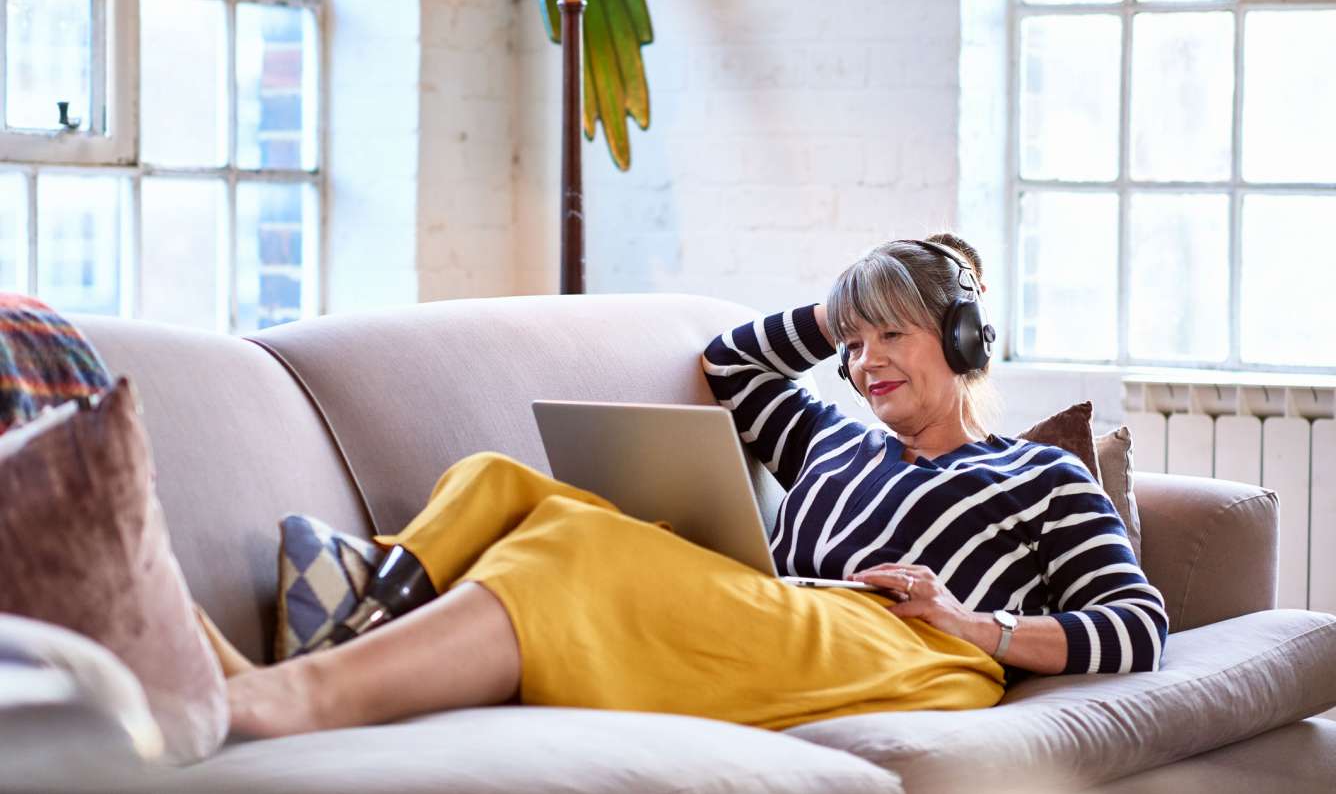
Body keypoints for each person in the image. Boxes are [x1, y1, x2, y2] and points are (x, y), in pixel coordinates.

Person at [226, 234, 1167, 740]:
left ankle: (288, 697)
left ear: (961, 343)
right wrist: (834, 306)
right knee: (503, 483)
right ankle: (360, 609)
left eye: (893, 335)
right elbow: (731, 365)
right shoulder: (829, 444)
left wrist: (972, 623)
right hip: (785, 611)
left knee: (573, 547)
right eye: (854, 342)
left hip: (914, 648)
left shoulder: (1036, 474)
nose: (865, 362)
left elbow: (1138, 625)